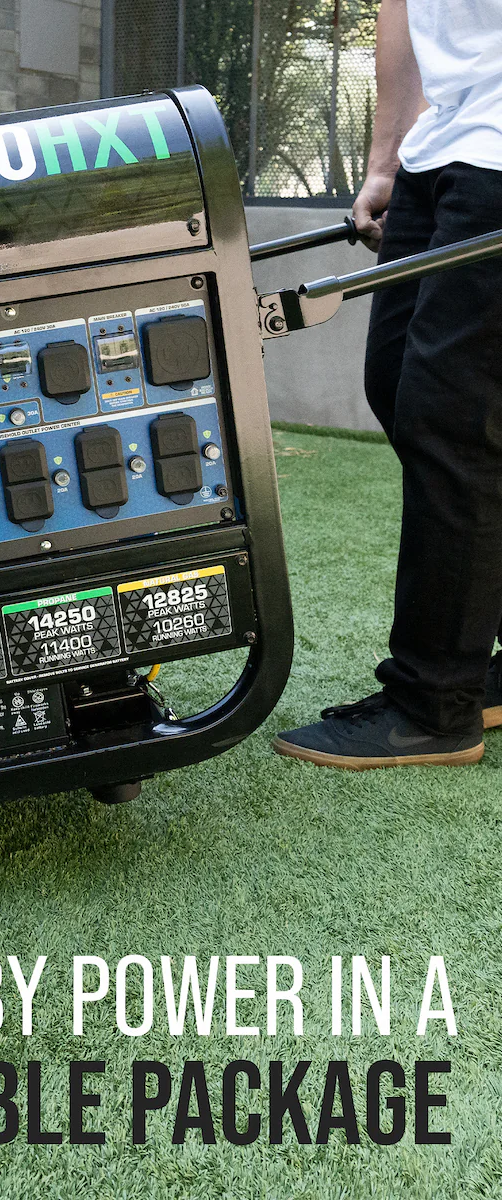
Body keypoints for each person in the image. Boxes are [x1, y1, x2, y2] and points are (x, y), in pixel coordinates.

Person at [273, 0, 502, 768]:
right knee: (397, 383)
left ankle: (434, 704)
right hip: (440, 149)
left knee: (455, 418)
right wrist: (387, 161)